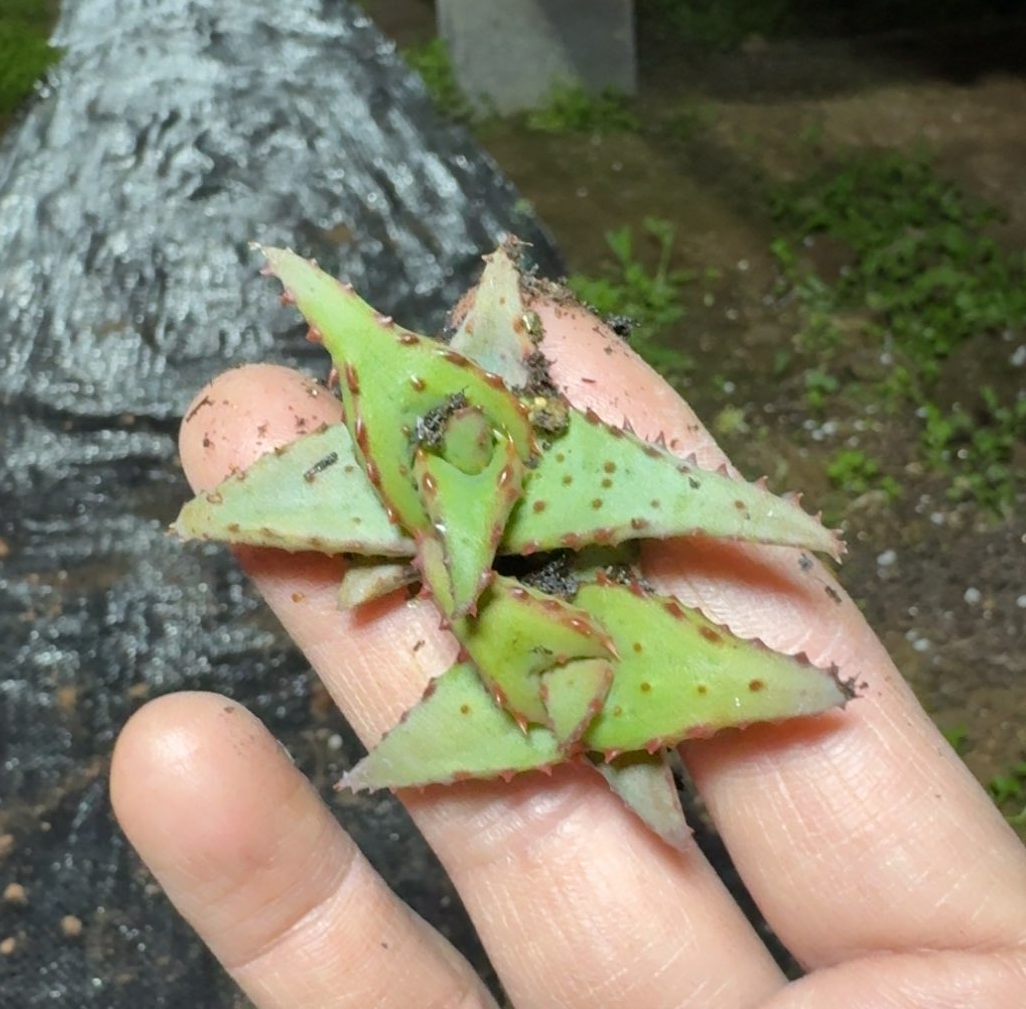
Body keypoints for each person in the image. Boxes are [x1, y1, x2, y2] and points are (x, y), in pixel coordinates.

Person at [110, 288, 1026, 1008]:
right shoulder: (457, 551)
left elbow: (700, 512)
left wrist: (462, 575)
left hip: (563, 607)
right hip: (500, 584)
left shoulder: (530, 529)